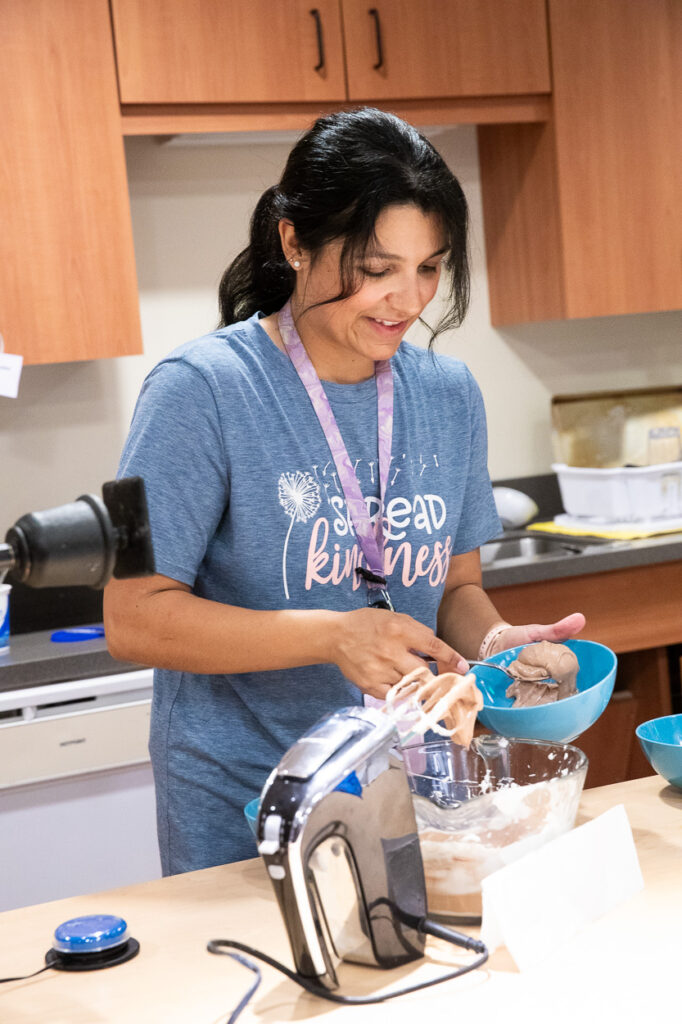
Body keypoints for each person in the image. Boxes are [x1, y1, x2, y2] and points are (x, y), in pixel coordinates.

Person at [104, 108, 585, 874]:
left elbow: (453, 585)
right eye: (376, 267)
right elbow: (133, 618)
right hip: (249, 801)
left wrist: (496, 646)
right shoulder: (200, 392)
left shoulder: (450, 394)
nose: (406, 300)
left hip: (411, 788)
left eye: (429, 268)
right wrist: (334, 634)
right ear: (294, 242)